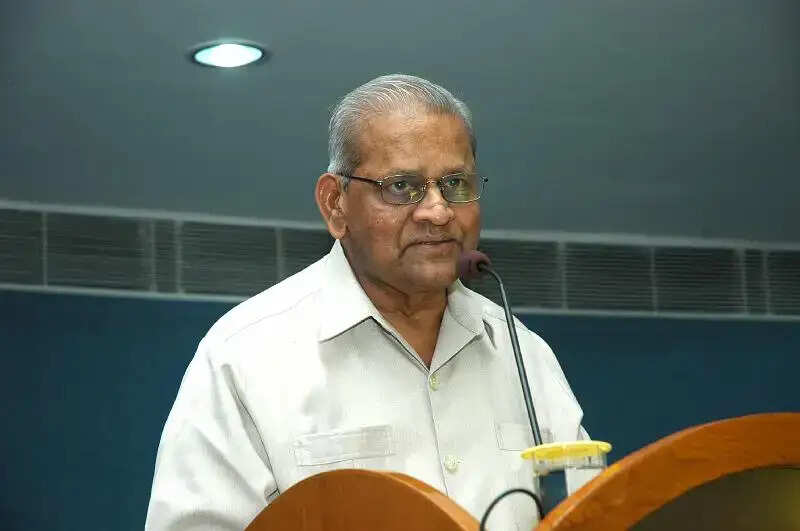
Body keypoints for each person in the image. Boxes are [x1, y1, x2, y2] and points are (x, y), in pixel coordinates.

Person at [145, 74, 587, 530]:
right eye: (401, 186)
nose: (438, 211)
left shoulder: (524, 355)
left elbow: (593, 514)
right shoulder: (245, 357)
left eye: (455, 182)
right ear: (335, 204)